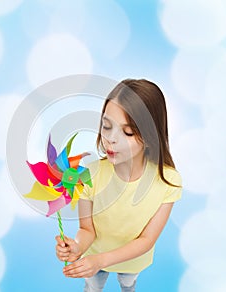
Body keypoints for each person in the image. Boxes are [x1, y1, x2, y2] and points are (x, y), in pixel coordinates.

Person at [55, 79, 182, 291]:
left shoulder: (168, 182)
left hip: (132, 259)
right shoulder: (88, 174)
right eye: (106, 126)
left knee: (127, 282)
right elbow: (87, 229)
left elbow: (146, 240)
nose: (111, 139)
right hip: (94, 256)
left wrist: (101, 261)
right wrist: (76, 247)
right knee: (92, 286)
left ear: (151, 137)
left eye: (128, 132)